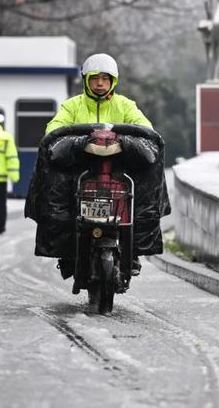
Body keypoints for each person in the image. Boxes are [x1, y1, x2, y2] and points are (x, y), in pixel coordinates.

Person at [46, 53, 152, 278]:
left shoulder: (126, 105)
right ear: (86, 80)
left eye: (105, 78)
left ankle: (133, 251)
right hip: (80, 168)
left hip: (118, 170)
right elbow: (53, 131)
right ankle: (66, 252)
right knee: (59, 198)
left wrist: (124, 141)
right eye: (95, 78)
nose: (100, 83)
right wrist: (79, 143)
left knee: (142, 199)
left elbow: (145, 128)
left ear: (114, 81)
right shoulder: (71, 106)